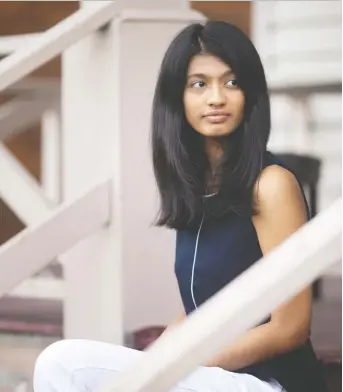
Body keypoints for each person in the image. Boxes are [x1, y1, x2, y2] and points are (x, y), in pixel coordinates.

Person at [33, 21, 328, 392]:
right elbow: (197, 312)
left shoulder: (271, 184)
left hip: (269, 383)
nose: (216, 97)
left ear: (250, 94)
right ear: (178, 98)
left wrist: (177, 367)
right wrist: (156, 360)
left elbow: (291, 327)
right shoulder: (198, 187)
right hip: (211, 378)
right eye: (199, 84)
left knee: (64, 364)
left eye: (232, 82)